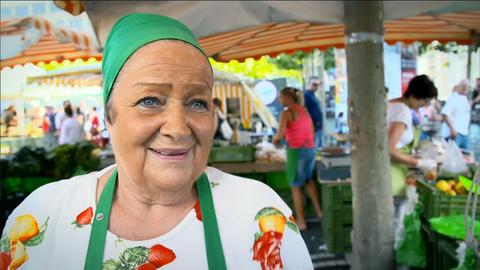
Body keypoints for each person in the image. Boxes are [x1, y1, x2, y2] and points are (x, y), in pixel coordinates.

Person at [2, 13, 312, 270]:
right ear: (109, 116)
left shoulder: (260, 216)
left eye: (197, 103)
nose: (178, 129)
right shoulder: (44, 217)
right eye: (150, 100)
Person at [272, 87, 323, 231]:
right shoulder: (304, 110)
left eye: (281, 97)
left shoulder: (287, 113)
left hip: (297, 151)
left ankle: (301, 221)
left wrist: (274, 142)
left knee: (295, 186)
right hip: (310, 149)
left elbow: (279, 135)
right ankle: (319, 212)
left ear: (288, 98)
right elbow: (311, 131)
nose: (279, 100)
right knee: (308, 180)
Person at [388, 75, 438, 200]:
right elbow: (389, 149)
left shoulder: (391, 104)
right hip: (391, 173)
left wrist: (410, 157)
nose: (425, 105)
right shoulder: (402, 111)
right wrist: (419, 162)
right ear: (416, 96)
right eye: (426, 101)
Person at [441, 79, 471, 149]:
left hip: (464, 134)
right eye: (464, 85)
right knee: (452, 158)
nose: (466, 88)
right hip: (455, 134)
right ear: (459, 86)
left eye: (468, 86)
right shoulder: (453, 97)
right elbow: (444, 115)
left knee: (465, 157)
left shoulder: (465, 98)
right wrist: (452, 129)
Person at [303, 76, 324, 148]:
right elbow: (304, 110)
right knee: (315, 146)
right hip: (313, 126)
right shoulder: (306, 95)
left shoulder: (312, 95)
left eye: (318, 85)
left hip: (317, 125)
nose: (316, 86)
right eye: (314, 84)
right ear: (309, 84)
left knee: (318, 146)